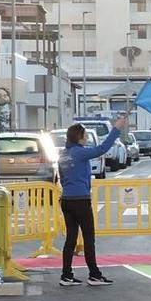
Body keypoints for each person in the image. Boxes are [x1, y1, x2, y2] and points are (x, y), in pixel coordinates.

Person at [57, 113, 129, 287]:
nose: (87, 138)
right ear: (79, 137)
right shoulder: (80, 153)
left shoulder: (63, 154)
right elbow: (102, 149)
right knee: (89, 238)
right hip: (80, 199)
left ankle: (66, 275)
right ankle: (94, 275)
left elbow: (61, 176)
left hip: (66, 199)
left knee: (71, 239)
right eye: (85, 136)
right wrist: (116, 128)